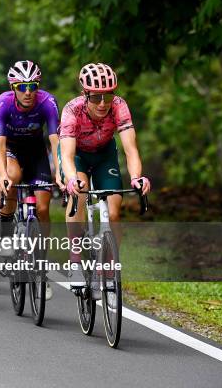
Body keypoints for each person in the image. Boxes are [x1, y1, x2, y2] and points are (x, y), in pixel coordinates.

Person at [59, 63, 151, 287]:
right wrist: (71, 179)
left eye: (107, 96)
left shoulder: (119, 106)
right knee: (79, 196)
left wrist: (137, 177)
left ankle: (109, 269)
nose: (102, 103)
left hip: (104, 156)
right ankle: (75, 262)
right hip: (78, 155)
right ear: (85, 94)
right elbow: (68, 156)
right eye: (96, 98)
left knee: (114, 211)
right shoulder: (72, 110)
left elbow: (131, 149)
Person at [0, 60, 60, 300]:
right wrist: (1, 176)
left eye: (32, 86)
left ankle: (41, 266)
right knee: (13, 178)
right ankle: (7, 236)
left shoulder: (47, 102)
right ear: (13, 88)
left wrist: (60, 173)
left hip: (35, 151)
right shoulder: (1, 103)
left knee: (42, 208)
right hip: (9, 149)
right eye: (22, 87)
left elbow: (55, 140)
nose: (28, 92)